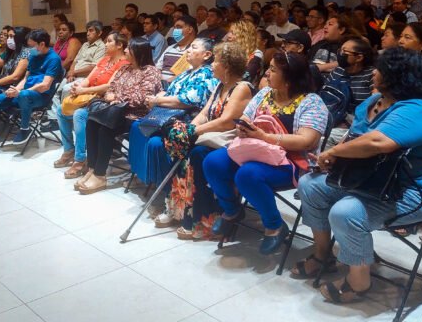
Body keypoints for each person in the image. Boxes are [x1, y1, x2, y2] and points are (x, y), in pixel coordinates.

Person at [295, 48, 422, 304]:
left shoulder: (418, 110)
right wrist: (332, 161)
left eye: (380, 69)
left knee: (346, 211)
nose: (374, 72)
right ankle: (323, 255)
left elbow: (378, 142)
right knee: (310, 185)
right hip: (368, 180)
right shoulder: (372, 102)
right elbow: (354, 138)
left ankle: (359, 280)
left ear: (395, 76)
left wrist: (332, 151)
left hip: (411, 192)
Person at [204, 51, 329, 253]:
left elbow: (306, 141)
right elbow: (245, 118)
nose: (266, 74)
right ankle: (232, 210)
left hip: (290, 162)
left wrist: (265, 137)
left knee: (248, 174)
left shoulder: (311, 102)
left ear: (289, 77)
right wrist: (243, 128)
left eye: (272, 70)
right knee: (213, 162)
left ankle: (274, 225)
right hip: (253, 151)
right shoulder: (264, 94)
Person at [156, 43, 253, 238]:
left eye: (216, 61)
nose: (212, 65)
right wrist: (188, 129)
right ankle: (179, 210)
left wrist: (195, 131)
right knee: (179, 147)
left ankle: (203, 219)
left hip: (231, 141)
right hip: (211, 136)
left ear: (226, 66)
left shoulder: (242, 88)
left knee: (197, 154)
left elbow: (227, 122)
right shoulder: (220, 85)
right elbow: (204, 113)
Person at [128, 39, 219, 211]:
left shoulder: (207, 74)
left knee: (156, 143)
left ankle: (165, 192)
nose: (188, 51)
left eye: (194, 47)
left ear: (207, 55)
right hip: (168, 117)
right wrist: (158, 96)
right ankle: (146, 176)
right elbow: (170, 91)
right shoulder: (187, 72)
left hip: (184, 120)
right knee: (136, 127)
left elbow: (187, 101)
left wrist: (157, 100)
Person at [75, 37, 162, 194]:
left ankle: (100, 175)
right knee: (92, 122)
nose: (126, 51)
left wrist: (118, 98)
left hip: (135, 116)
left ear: (140, 52)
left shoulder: (151, 71)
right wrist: (109, 95)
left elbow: (142, 98)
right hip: (115, 111)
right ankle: (92, 169)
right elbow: (112, 87)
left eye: (130, 48)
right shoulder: (125, 69)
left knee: (106, 128)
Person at [0, 29, 63, 156]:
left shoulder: (53, 59)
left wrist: (21, 92)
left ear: (41, 44)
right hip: (23, 94)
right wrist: (16, 90)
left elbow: (45, 86)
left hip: (40, 97)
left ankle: (25, 128)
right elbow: (25, 78)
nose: (29, 49)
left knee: (24, 95)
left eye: (31, 46)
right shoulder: (34, 56)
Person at [54, 32, 129, 177]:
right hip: (88, 96)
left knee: (79, 115)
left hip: (103, 102)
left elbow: (109, 86)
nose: (105, 44)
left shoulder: (124, 64)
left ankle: (80, 159)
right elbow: (88, 78)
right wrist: (78, 88)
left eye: (109, 42)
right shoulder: (104, 60)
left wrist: (84, 90)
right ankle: (69, 149)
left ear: (119, 46)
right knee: (60, 109)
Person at [156, 15, 198, 85]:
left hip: (179, 86)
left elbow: (190, 72)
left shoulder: (196, 50)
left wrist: (168, 82)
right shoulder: (170, 48)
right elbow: (158, 67)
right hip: (160, 84)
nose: (175, 30)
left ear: (190, 30)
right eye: (175, 27)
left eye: (179, 27)